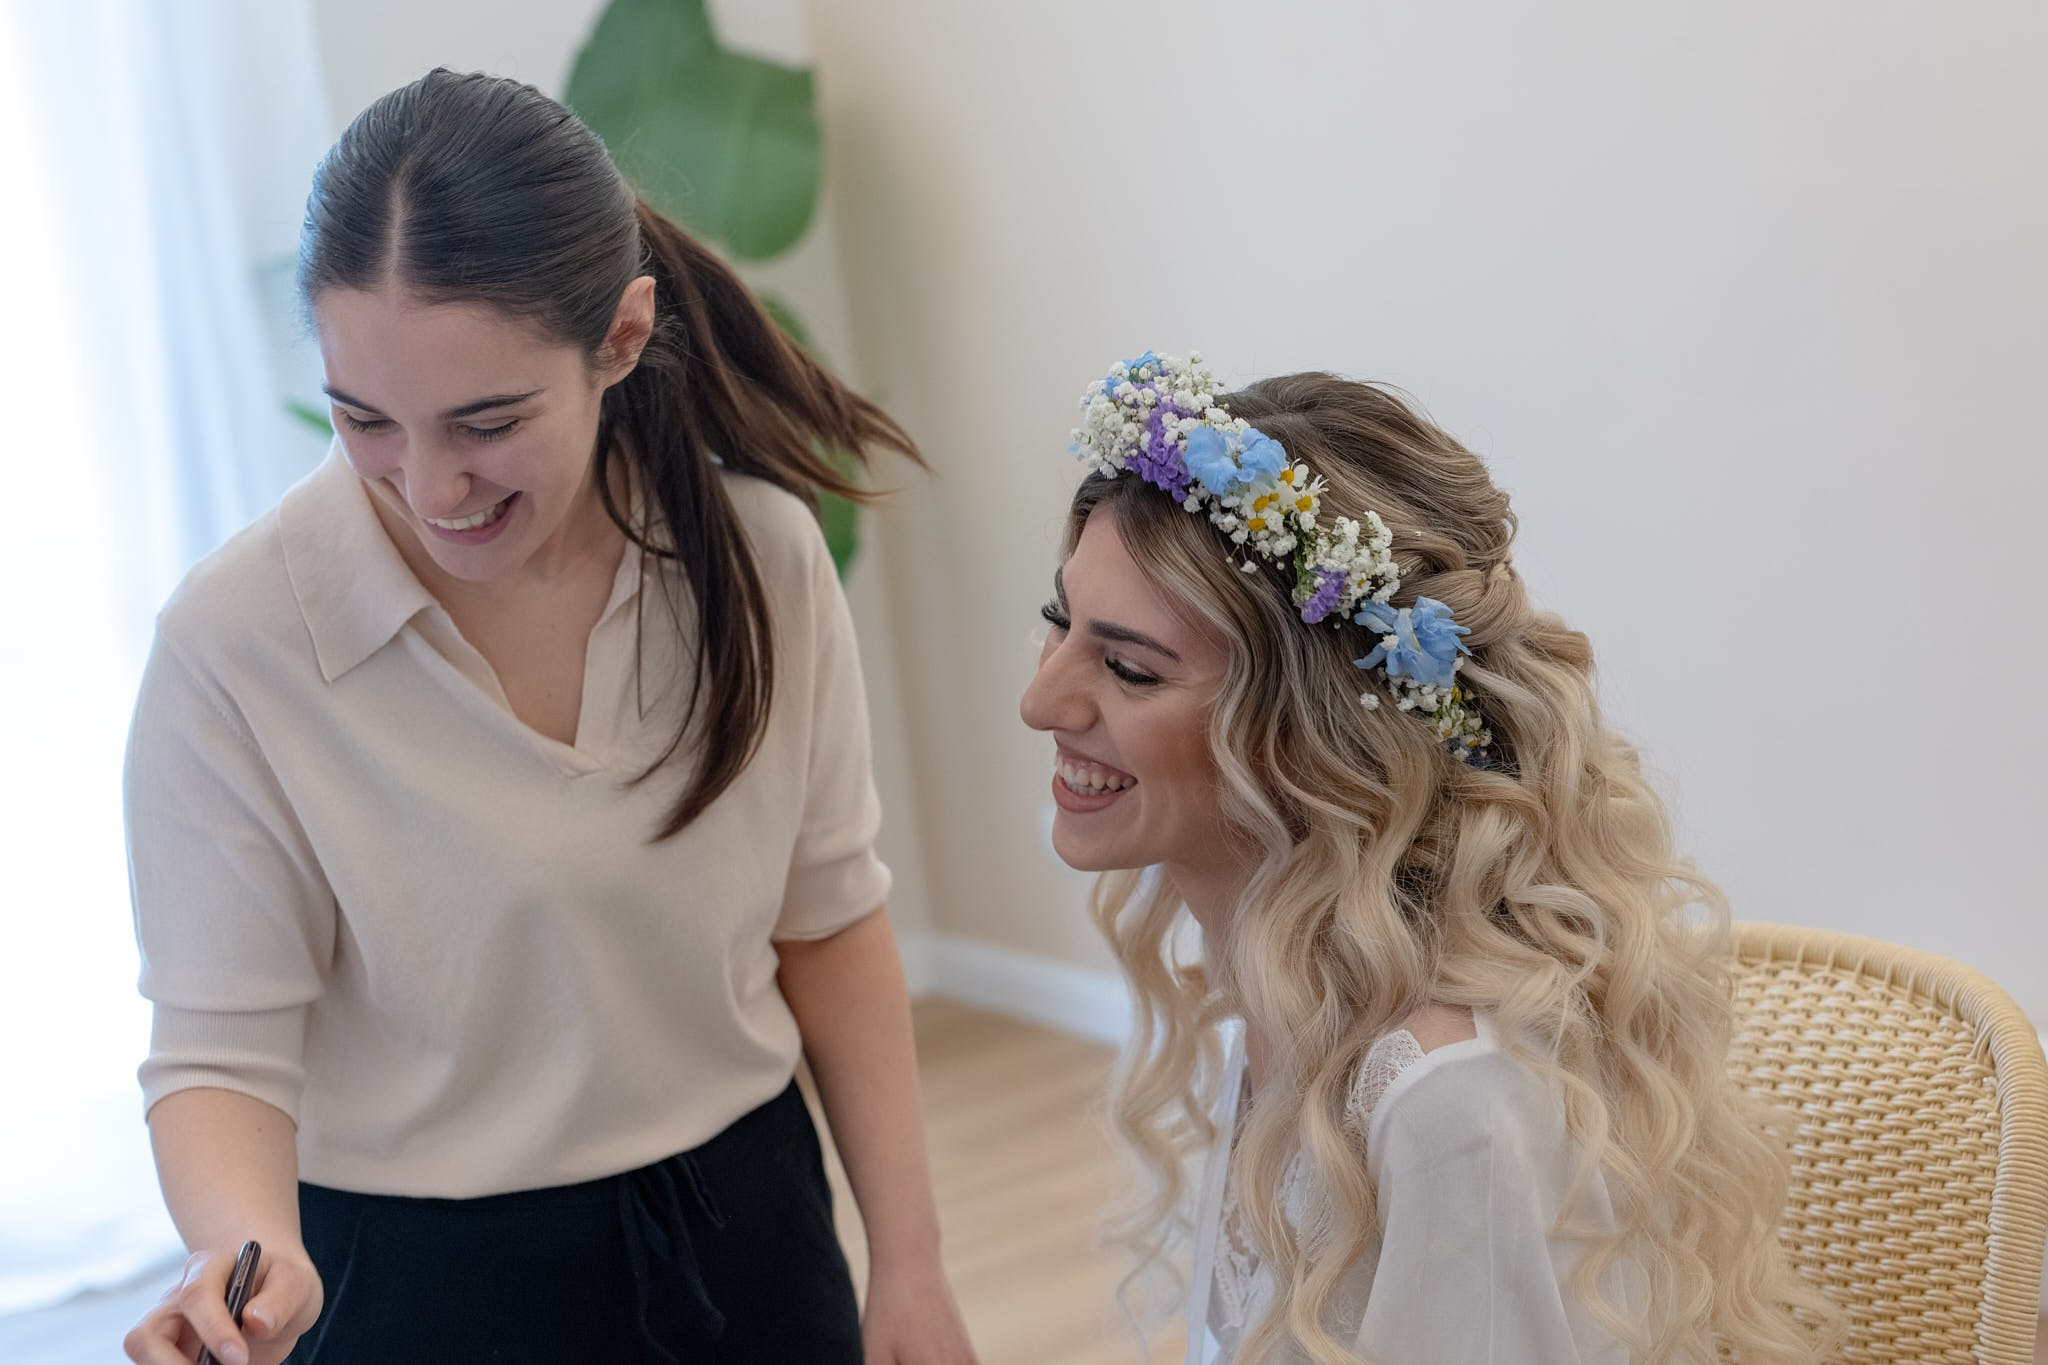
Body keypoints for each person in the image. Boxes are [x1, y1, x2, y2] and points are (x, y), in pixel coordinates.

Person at [121, 69, 975, 1365]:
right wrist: (247, 1246)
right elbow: (219, 1043)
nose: (426, 484)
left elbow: (831, 919)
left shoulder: (761, 559)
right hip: (408, 1276)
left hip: (746, 1221)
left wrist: (909, 1264)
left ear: (621, 339)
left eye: (488, 420)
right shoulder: (234, 644)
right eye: (366, 420)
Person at [1019, 352, 1840, 1363]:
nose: (1038, 702)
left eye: (1128, 668)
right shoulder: (1295, 992)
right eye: (1058, 622)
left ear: (1309, 733)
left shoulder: (1443, 1101)